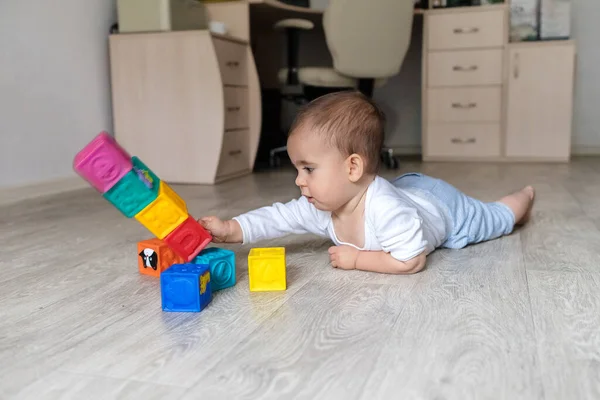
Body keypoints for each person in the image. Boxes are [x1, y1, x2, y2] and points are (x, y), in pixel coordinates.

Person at [198, 91, 535, 275]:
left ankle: (523, 197)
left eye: (308, 169)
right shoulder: (322, 205)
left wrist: (357, 259)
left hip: (442, 207)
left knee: (495, 219)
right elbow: (277, 218)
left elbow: (411, 260)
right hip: (409, 189)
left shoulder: (386, 209)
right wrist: (231, 228)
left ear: (353, 167)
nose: (299, 181)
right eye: (297, 169)